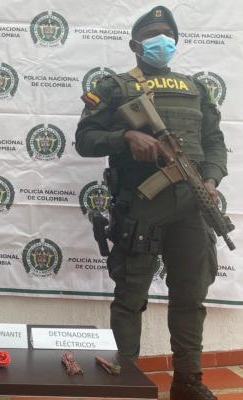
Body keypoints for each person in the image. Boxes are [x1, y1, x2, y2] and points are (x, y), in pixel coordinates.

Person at [75, 6, 226, 400]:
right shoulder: (115, 87)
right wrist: (125, 137)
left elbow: (214, 143)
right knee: (130, 297)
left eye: (169, 36)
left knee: (190, 296)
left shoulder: (195, 88)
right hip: (140, 206)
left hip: (191, 206)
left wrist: (211, 180)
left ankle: (188, 382)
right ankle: (124, 382)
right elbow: (85, 139)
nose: (163, 42)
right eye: (152, 35)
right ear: (135, 45)